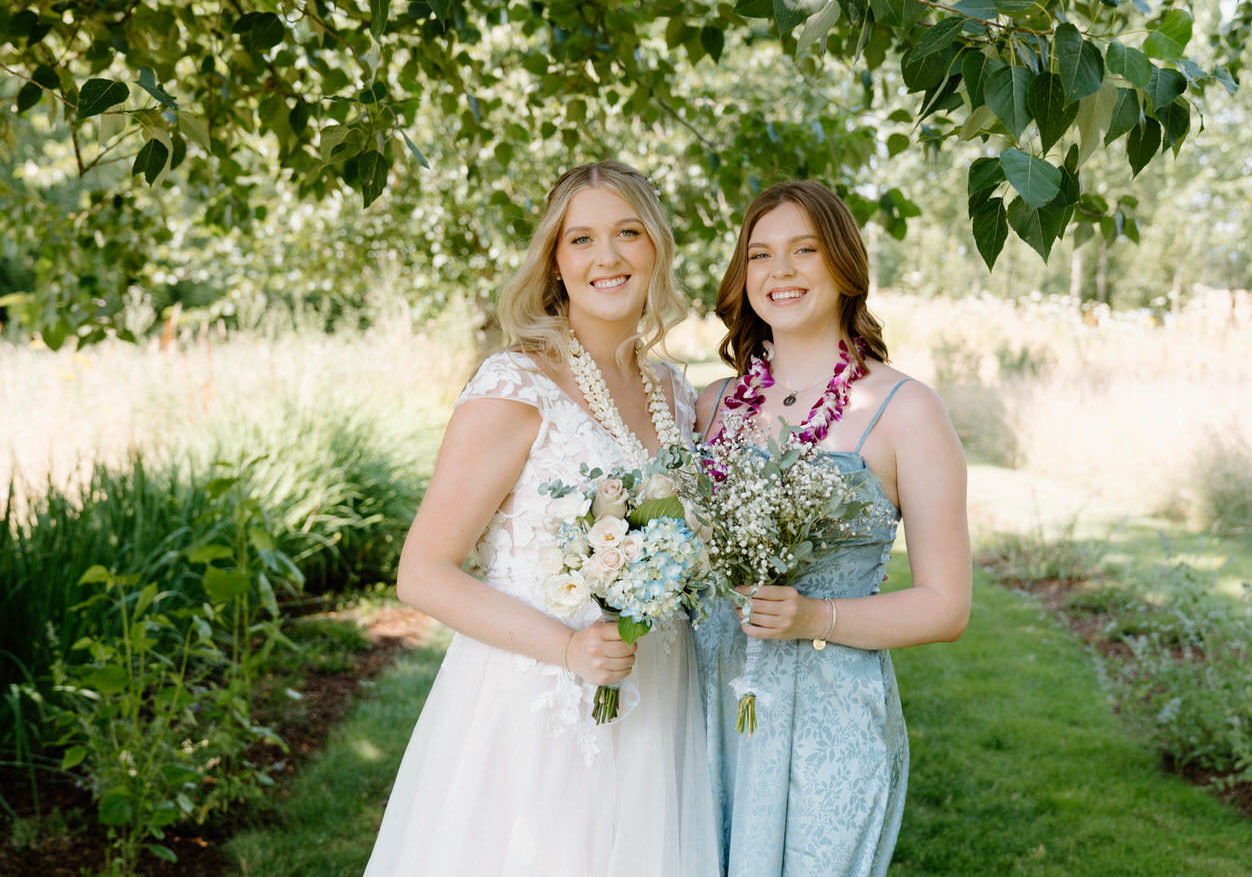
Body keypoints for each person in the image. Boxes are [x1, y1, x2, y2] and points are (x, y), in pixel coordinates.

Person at [365, 161, 718, 877]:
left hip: (659, 697)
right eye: (581, 240)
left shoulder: (674, 392)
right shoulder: (515, 384)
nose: (607, 257)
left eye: (627, 233)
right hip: (539, 703)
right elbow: (422, 573)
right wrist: (567, 651)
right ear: (556, 263)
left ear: (656, 246)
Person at [693, 181, 972, 877]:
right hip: (703, 703)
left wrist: (814, 615)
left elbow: (947, 606)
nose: (779, 272)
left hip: (830, 720)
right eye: (759, 255)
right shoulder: (706, 408)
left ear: (844, 264)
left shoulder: (906, 411)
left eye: (803, 251)